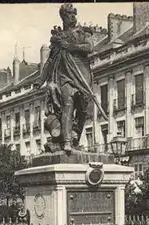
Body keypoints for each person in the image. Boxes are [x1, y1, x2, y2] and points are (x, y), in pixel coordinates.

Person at [36, 3, 107, 153]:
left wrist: (70, 46)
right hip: (65, 76)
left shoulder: (83, 33)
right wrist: (40, 80)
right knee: (67, 106)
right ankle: (67, 141)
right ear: (63, 17)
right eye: (70, 15)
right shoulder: (58, 38)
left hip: (82, 75)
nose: (73, 17)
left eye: (74, 14)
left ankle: (75, 137)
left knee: (82, 110)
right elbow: (50, 61)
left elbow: (89, 48)